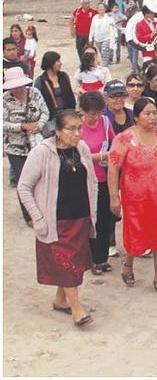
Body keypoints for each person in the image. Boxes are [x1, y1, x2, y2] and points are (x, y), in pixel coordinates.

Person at [17, 109, 99, 327]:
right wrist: (37, 217)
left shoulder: (81, 149)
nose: (77, 133)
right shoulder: (41, 152)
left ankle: (60, 300)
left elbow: (91, 180)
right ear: (58, 131)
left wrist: (93, 212)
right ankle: (77, 310)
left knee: (74, 264)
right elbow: (24, 187)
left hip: (80, 217)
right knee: (67, 264)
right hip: (56, 220)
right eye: (71, 129)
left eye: (79, 128)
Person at [107, 97, 157, 296]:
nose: (152, 118)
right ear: (136, 117)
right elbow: (113, 168)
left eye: (154, 113)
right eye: (147, 114)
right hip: (135, 198)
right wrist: (113, 197)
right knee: (136, 234)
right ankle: (128, 263)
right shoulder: (124, 139)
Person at [78, 91, 117, 274]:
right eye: (92, 113)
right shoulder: (77, 128)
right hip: (84, 181)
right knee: (88, 221)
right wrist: (102, 156)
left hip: (104, 178)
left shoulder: (106, 122)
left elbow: (114, 142)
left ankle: (101, 258)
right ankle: (89, 257)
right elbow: (79, 155)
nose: (96, 117)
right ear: (83, 111)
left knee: (104, 219)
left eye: (98, 112)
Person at [4, 67, 49, 222]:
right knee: (23, 181)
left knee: (41, 178)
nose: (16, 89)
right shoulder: (5, 99)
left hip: (36, 143)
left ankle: (42, 207)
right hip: (16, 147)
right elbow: (2, 123)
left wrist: (39, 125)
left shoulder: (35, 93)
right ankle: (29, 215)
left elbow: (45, 111)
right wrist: (21, 127)